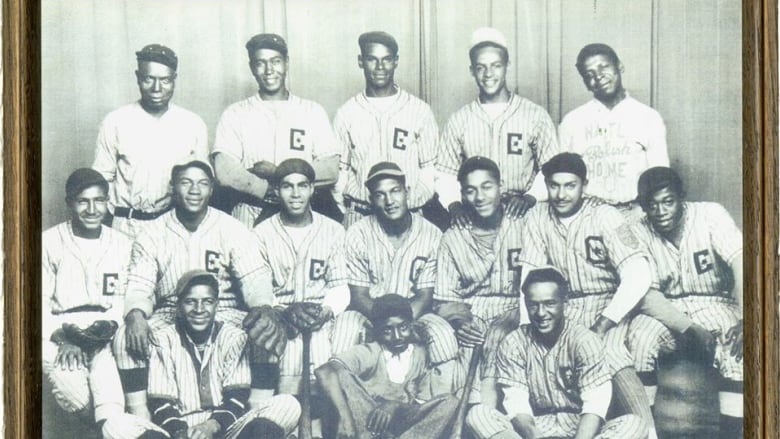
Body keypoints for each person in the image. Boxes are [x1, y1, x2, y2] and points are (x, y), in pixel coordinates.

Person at [113, 159, 288, 419]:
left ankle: (256, 415)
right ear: (174, 188)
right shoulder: (152, 232)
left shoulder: (231, 228)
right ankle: (142, 418)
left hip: (223, 310)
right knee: (126, 335)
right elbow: (140, 285)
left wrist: (263, 308)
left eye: (202, 183)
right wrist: (136, 315)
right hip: (171, 312)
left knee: (264, 327)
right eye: (186, 182)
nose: (194, 190)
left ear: (211, 190)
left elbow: (255, 278)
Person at [519, 152, 657, 437]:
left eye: (570, 185)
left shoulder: (604, 214)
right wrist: (525, 326)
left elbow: (639, 274)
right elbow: (529, 277)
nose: (561, 194)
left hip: (607, 301)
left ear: (584, 184)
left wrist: (603, 324)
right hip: (562, 305)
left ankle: (649, 432)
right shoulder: (536, 215)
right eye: (554, 185)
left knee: (610, 352)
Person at [43, 168, 165, 438]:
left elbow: (133, 291)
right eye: (83, 201)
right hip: (61, 332)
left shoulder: (123, 243)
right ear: (69, 203)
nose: (91, 209)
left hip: (104, 332)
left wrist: (109, 325)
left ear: (107, 202)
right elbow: (35, 303)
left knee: (111, 404)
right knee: (73, 392)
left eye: (99, 200)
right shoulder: (48, 242)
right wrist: (63, 337)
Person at [627, 167, 743, 438]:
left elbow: (742, 261)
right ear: (644, 207)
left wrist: (748, 315)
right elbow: (645, 294)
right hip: (664, 307)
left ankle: (730, 435)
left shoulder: (709, 214)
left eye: (668, 201)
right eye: (652, 205)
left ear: (681, 197)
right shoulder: (637, 229)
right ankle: (649, 432)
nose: (661, 211)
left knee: (737, 348)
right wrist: (689, 328)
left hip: (714, 301)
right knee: (639, 340)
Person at [466, 267, 648, 439]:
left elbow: (595, 408)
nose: (541, 313)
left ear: (564, 302)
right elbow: (517, 406)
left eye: (549, 303)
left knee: (634, 424)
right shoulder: (513, 342)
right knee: (478, 415)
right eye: (533, 305)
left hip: (580, 427)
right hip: (535, 427)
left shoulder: (584, 340)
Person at [343, 161, 461, 391]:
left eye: (395, 191)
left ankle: (434, 409)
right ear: (371, 200)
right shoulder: (357, 233)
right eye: (380, 195)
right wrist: (386, 326)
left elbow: (425, 296)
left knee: (444, 336)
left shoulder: (431, 234)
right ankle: (349, 414)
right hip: (369, 313)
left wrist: (400, 325)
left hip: (415, 314)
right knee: (343, 331)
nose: (389, 201)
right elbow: (358, 296)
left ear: (407, 192)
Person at [148, 269, 301, 439]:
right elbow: (160, 404)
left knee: (288, 404)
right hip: (180, 431)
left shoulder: (233, 337)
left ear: (217, 305)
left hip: (224, 427)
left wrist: (210, 427)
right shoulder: (162, 339)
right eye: (190, 301)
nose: (199, 309)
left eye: (207, 301)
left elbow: (236, 398)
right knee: (117, 424)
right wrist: (181, 433)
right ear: (178, 307)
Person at [212, 33, 340, 228]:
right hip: (250, 212)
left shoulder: (312, 111)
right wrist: (264, 189)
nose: (269, 70)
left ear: (286, 63)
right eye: (261, 63)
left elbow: (330, 169)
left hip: (302, 214)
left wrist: (278, 172)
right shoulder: (235, 113)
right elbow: (225, 171)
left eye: (276, 61)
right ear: (252, 67)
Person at [436, 27, 559, 229]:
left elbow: (552, 168)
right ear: (472, 70)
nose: (488, 74)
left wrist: (530, 198)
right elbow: (445, 173)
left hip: (523, 213)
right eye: (481, 67)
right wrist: (454, 205)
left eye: (496, 66)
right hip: (475, 214)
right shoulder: (459, 119)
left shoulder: (535, 115)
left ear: (507, 66)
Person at [251, 158, 351, 397]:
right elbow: (260, 288)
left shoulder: (333, 230)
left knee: (328, 347)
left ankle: (322, 425)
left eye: (302, 186)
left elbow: (340, 287)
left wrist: (325, 311)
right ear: (276, 190)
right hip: (281, 314)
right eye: (287, 186)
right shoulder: (261, 233)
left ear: (312, 189)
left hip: (320, 316)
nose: (295, 194)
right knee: (285, 346)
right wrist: (282, 311)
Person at [433, 156, 526, 407]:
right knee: (467, 343)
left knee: (497, 337)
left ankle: (487, 412)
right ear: (462, 195)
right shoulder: (453, 236)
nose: (480, 197)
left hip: (520, 308)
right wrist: (462, 321)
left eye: (487, 187)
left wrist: (517, 315)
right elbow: (445, 298)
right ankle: (470, 417)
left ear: (501, 186)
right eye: (471, 190)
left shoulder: (525, 223)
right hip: (473, 311)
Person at [92, 43, 208, 238]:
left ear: (174, 80)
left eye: (164, 80)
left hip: (173, 225)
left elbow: (200, 182)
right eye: (149, 79)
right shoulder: (115, 121)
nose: (156, 88)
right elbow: (102, 179)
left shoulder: (193, 124)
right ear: (138, 77)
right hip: (125, 226)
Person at [333, 31, 446, 229]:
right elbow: (340, 172)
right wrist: (352, 205)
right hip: (361, 214)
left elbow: (430, 169)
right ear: (361, 61)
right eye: (372, 59)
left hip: (409, 214)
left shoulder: (419, 110)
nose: (379, 67)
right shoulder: (347, 112)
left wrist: (408, 204)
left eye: (386, 60)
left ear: (396, 61)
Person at [315, 294, 460, 439]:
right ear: (377, 330)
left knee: (449, 402)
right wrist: (345, 419)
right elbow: (324, 372)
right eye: (387, 330)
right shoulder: (371, 351)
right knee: (341, 375)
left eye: (403, 327)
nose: (397, 336)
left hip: (404, 428)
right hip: (368, 425)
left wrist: (394, 406)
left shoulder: (421, 356)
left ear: (411, 324)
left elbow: (417, 409)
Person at [558, 43, 668, 217]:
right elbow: (560, 175)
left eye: (604, 67)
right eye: (590, 74)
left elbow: (660, 174)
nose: (599, 76)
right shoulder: (572, 121)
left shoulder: (648, 117)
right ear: (586, 83)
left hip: (637, 212)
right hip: (589, 214)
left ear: (620, 67)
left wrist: (641, 208)